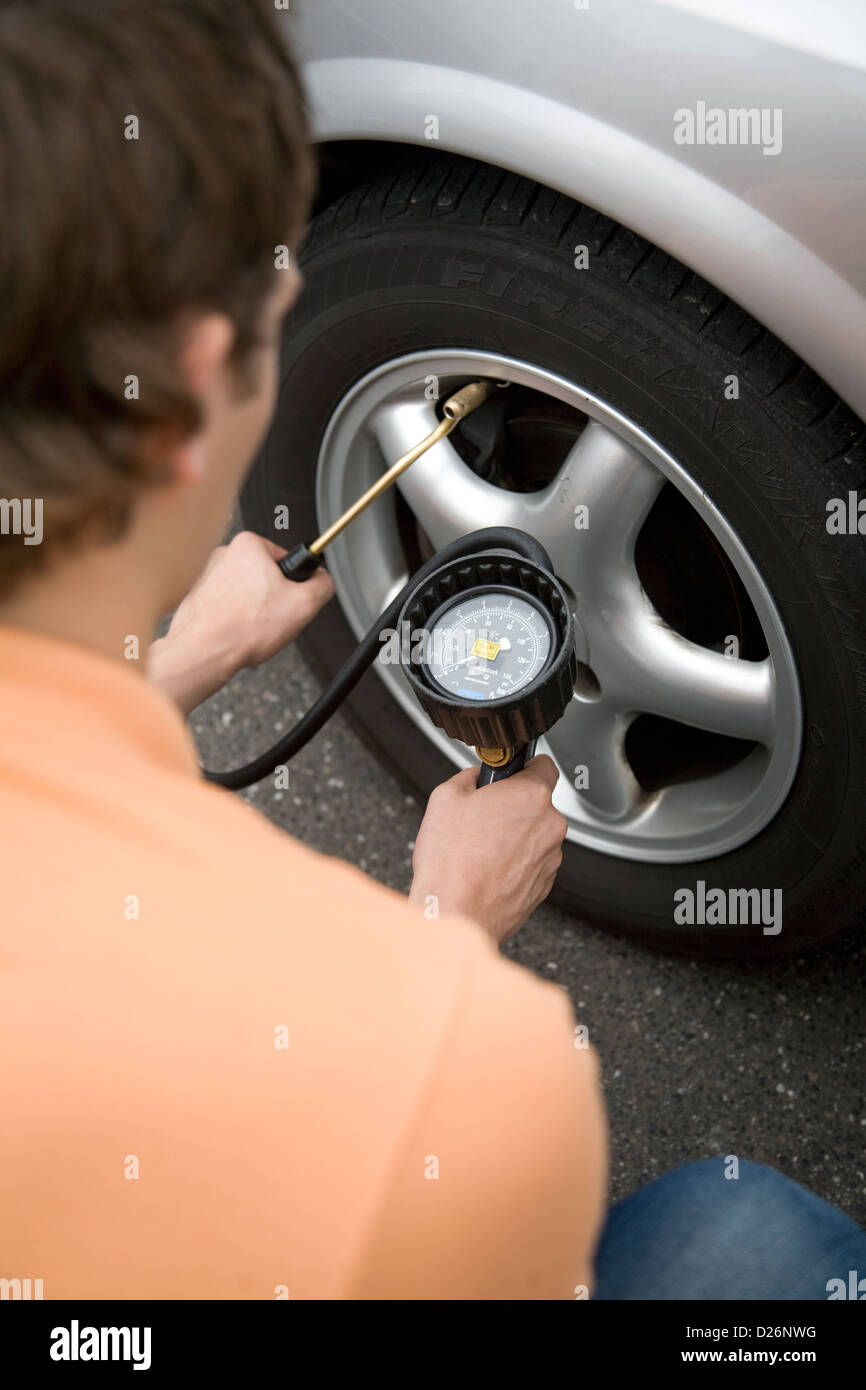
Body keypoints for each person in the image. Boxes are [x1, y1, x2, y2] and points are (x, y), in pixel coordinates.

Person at [1, 0, 862, 1302]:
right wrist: (447, 938)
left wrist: (175, 663)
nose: (291, 288)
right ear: (191, 385)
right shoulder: (471, 1088)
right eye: (263, 286)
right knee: (752, 1245)